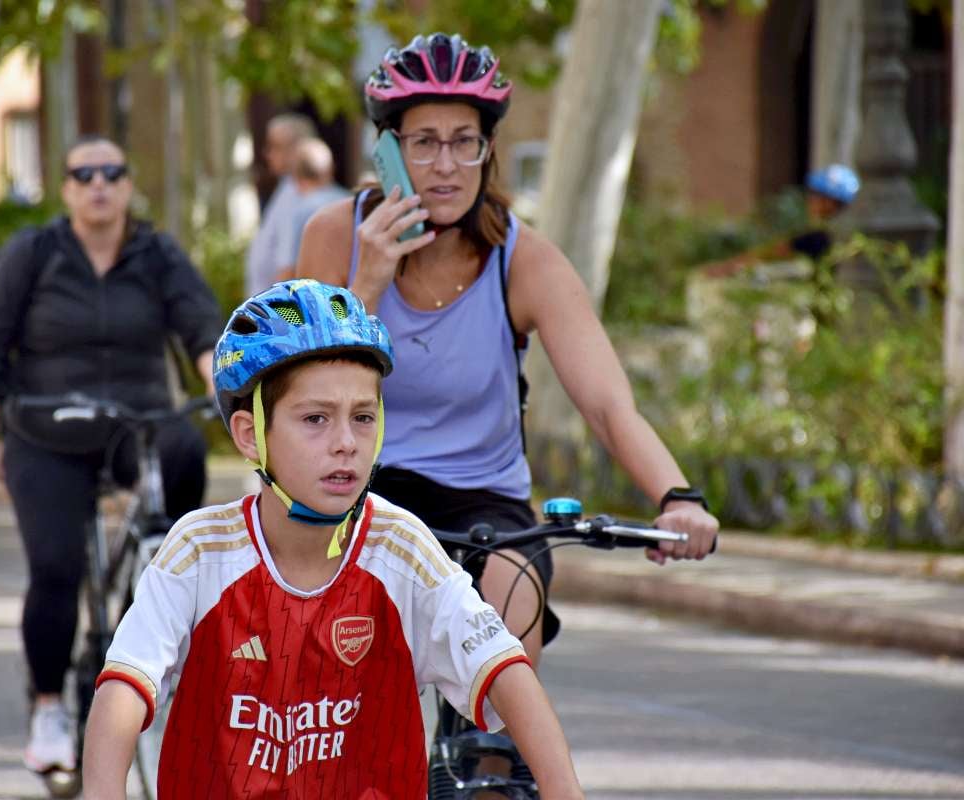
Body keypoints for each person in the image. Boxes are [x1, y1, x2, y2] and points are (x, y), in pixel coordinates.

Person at [296, 33, 720, 667]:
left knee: (506, 615)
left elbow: (608, 405)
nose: (445, 165)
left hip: (483, 503)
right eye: (424, 142)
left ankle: (494, 763)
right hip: (357, 487)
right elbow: (303, 395)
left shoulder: (524, 259)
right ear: (388, 151)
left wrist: (678, 497)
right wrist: (368, 285)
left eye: (464, 141)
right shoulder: (337, 236)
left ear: (486, 150)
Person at [81, 280, 586, 800]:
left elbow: (504, 670)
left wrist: (563, 790)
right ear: (250, 434)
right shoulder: (200, 549)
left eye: (363, 417)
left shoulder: (399, 546)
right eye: (316, 419)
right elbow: (126, 685)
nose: (346, 443)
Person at [0, 135, 224, 776]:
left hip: (137, 423)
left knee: (185, 446)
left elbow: (201, 327)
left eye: (113, 171)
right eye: (84, 173)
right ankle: (49, 707)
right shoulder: (34, 253)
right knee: (55, 570)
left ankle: (164, 571)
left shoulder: (157, 253)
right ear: (67, 189)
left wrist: (228, 387)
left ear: (129, 184)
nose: (99, 183)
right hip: (45, 429)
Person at [703, 163, 860, 278]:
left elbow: (776, 251)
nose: (810, 199)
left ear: (830, 203)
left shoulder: (819, 236)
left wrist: (735, 266)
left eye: (816, 194)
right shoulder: (808, 226)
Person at [244, 113, 317, 296]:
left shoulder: (299, 195)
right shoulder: (287, 189)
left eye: (275, 146)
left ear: (298, 149)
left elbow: (288, 270)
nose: (267, 154)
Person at [274, 138, 351, 282]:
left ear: (295, 175)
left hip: (317, 298)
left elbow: (287, 269)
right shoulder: (350, 202)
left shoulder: (299, 211)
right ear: (331, 169)